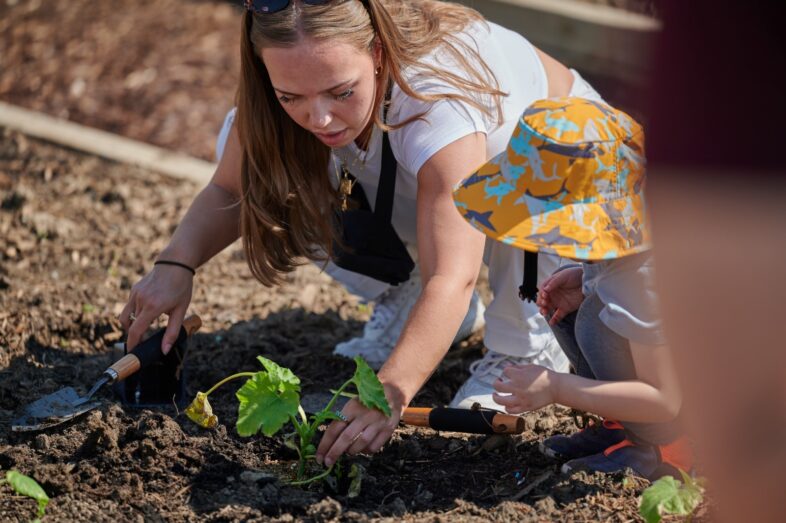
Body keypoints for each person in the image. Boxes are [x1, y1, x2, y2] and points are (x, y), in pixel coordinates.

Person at [120, 0, 604, 466]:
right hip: (433, 172)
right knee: (286, 177)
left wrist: (391, 390)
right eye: (291, 96)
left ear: (377, 55)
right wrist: (174, 265)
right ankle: (408, 300)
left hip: (569, 169)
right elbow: (230, 189)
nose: (319, 117)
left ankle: (522, 341)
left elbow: (451, 277)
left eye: (340, 91)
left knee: (521, 175)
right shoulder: (282, 99)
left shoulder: (436, 101)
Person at [453, 97, 693, 480]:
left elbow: (664, 398)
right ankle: (624, 426)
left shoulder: (640, 280)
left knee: (595, 325)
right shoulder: (621, 251)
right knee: (576, 313)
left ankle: (666, 448)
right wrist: (587, 280)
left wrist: (558, 386)